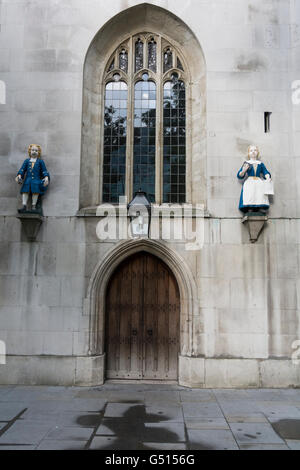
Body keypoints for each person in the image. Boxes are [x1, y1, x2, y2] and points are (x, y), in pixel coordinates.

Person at [15, 144, 50, 213]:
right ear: (30, 151)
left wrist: (46, 177)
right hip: (28, 180)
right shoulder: (27, 161)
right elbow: (22, 169)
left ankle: (34, 206)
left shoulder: (40, 161)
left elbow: (44, 171)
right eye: (33, 150)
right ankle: (24, 205)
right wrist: (19, 175)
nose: (34, 152)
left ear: (38, 152)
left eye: (36, 150)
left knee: (35, 192)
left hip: (36, 180)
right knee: (25, 191)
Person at [237, 145, 271, 213]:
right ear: (248, 153)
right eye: (251, 150)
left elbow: (265, 171)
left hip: (258, 181)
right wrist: (244, 171)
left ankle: (258, 208)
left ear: (257, 152)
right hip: (250, 181)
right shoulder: (247, 163)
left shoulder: (260, 163)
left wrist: (267, 176)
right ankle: (250, 207)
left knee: (259, 194)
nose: (253, 152)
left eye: (255, 150)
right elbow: (240, 175)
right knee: (250, 194)